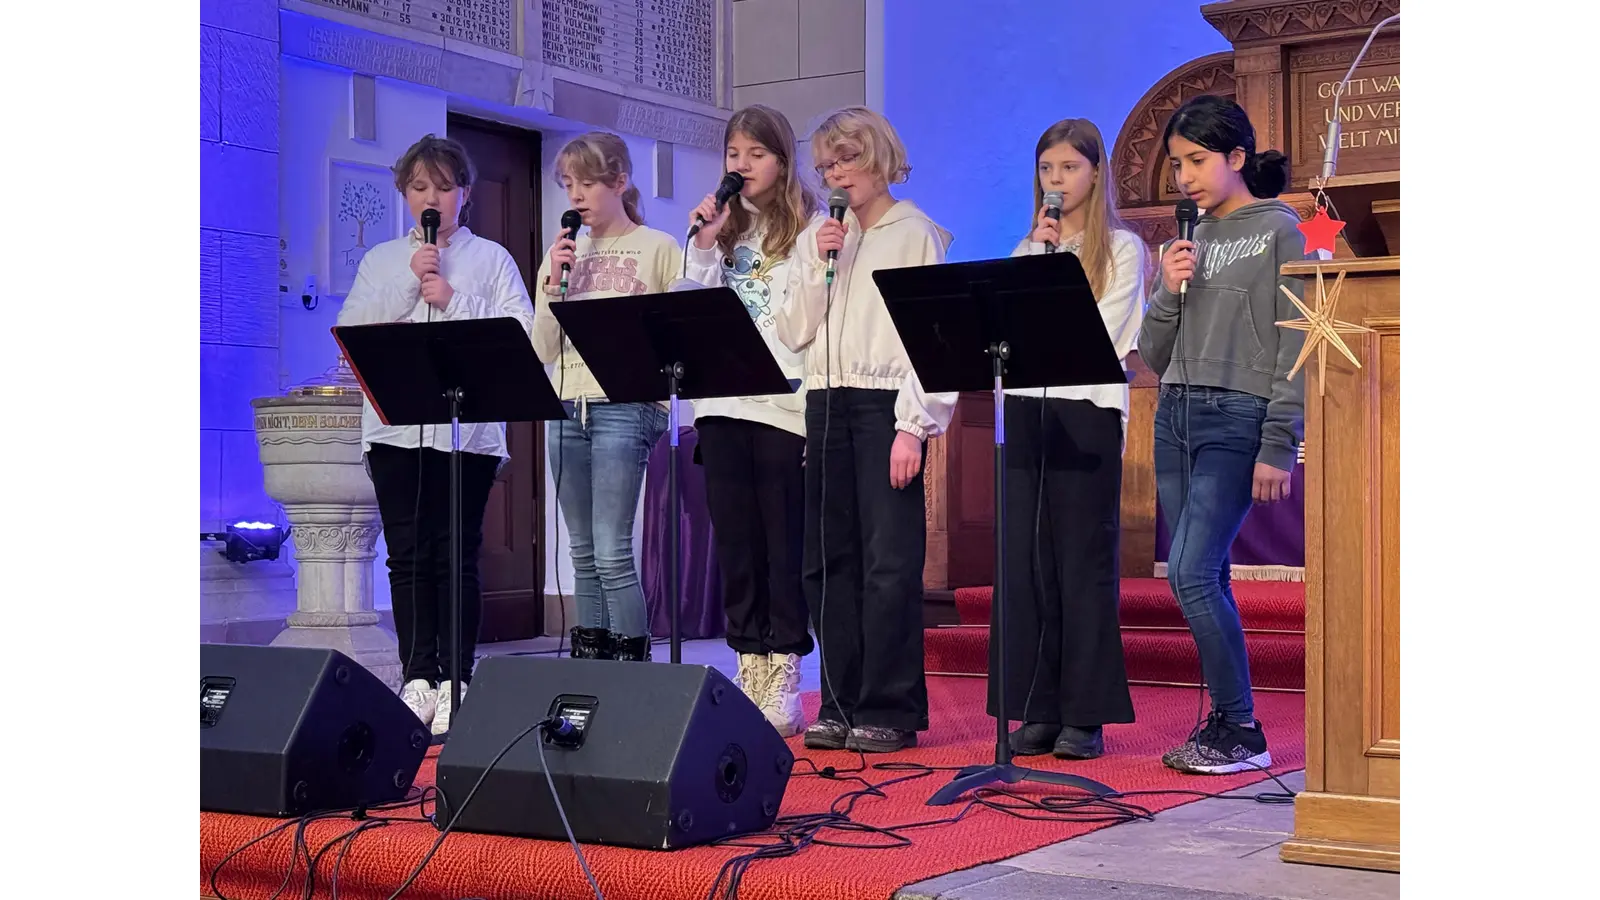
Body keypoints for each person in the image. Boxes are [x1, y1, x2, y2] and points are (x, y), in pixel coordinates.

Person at [337, 134, 535, 735]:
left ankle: (456, 678)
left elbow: (522, 336)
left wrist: (452, 298)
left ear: (464, 194)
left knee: (455, 555)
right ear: (404, 193)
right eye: (419, 187)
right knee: (407, 557)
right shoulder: (382, 260)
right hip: (395, 432)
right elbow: (352, 335)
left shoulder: (491, 259)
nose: (432, 198)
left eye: (444, 188)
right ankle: (417, 676)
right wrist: (410, 282)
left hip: (465, 436)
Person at [773, 106, 956, 753]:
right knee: (827, 563)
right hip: (826, 403)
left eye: (847, 159)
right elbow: (793, 330)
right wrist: (821, 262)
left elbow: (934, 340)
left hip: (886, 407)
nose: (836, 174)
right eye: (826, 165)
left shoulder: (916, 233)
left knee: (888, 563)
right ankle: (839, 701)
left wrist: (914, 427)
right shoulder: (820, 236)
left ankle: (889, 707)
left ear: (878, 157)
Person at [1137, 95, 1309, 775]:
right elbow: (1155, 354)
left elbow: (1297, 340)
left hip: (1237, 416)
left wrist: (1279, 441)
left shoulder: (1281, 230)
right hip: (1175, 413)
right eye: (1177, 163)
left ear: (1237, 156)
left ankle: (1241, 726)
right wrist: (1166, 287)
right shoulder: (1187, 240)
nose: (1185, 177)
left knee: (1189, 571)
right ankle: (1227, 725)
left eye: (1197, 160)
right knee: (1202, 573)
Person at [989, 118, 1147, 760]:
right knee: (1029, 563)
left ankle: (1085, 715)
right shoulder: (1029, 249)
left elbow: (1097, 332)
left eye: (1069, 168)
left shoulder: (1124, 249)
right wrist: (1039, 254)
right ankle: (1039, 706)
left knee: (1081, 565)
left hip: (1086, 412)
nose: (1056, 181)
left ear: (1095, 173)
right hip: (1028, 412)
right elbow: (1006, 327)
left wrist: (1054, 280)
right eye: (1046, 169)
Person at [682, 105, 820, 736]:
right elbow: (693, 309)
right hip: (721, 403)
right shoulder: (720, 230)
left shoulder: (807, 227)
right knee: (736, 546)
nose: (742, 164)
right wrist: (703, 246)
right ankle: (750, 664)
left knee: (780, 546)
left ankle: (785, 667)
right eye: (733, 154)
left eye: (756, 153)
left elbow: (804, 326)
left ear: (782, 161)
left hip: (782, 405)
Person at [531, 132, 682, 662]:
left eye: (588, 183)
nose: (576, 195)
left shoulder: (658, 248)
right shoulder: (562, 255)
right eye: (568, 184)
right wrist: (554, 285)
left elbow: (675, 335)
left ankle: (632, 666)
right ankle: (591, 664)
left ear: (620, 182)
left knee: (612, 549)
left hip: (626, 404)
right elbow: (543, 348)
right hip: (567, 405)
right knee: (582, 551)